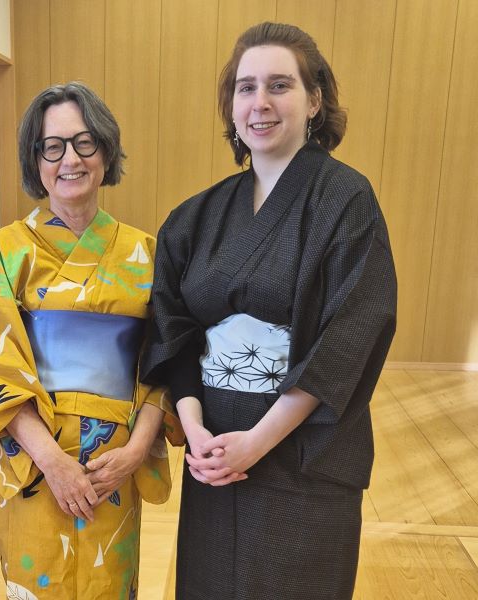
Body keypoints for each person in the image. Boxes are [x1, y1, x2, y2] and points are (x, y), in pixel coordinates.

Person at [141, 22, 397, 600]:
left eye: (280, 85)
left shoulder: (347, 201)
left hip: (303, 454)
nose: (260, 102)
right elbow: (172, 328)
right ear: (231, 106)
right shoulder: (196, 215)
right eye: (246, 87)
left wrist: (256, 441)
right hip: (215, 455)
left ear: (315, 101)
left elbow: (351, 334)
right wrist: (196, 429)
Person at [0, 82, 182, 599]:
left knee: (110, 584)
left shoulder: (146, 253)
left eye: (84, 142)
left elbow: (166, 361)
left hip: (114, 463)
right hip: (31, 459)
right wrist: (51, 460)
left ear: (105, 151)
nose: (70, 159)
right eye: (52, 147)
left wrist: (136, 451)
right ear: (36, 160)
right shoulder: (4, 252)